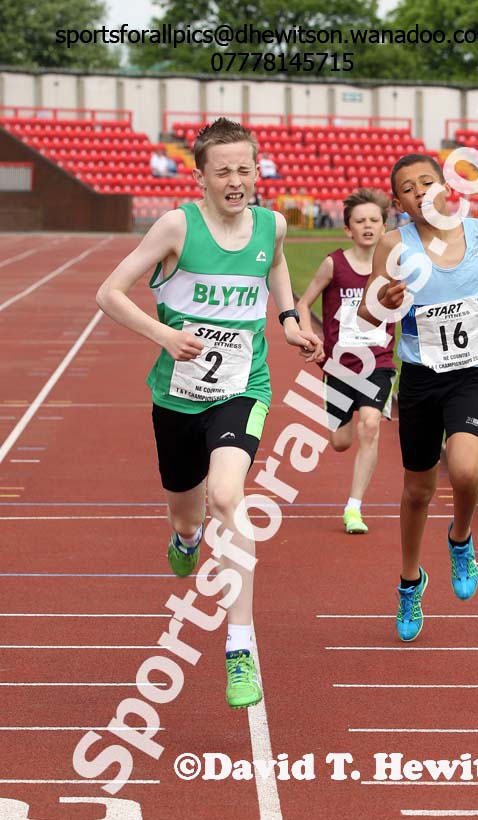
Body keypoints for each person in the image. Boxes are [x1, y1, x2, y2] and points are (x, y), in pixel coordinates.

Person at [96, 117, 322, 708]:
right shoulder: (177, 226)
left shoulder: (271, 224)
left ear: (257, 170)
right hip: (176, 393)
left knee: (228, 496)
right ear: (200, 177)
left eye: (245, 168)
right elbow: (109, 293)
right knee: (187, 512)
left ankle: (240, 647)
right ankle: (187, 537)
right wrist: (163, 337)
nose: (236, 180)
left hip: (243, 388)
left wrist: (291, 320)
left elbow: (273, 264)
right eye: (223, 171)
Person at [358, 153, 478, 641]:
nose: (420, 191)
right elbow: (368, 316)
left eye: (427, 181)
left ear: (446, 186)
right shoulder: (393, 243)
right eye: (408, 187)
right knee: (417, 491)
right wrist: (382, 303)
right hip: (422, 380)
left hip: (471, 374)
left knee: (466, 469)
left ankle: (460, 536)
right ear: (397, 202)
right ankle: (410, 581)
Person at [297, 188, 395, 535]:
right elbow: (303, 303)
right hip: (338, 366)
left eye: (374, 220)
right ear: (348, 230)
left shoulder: (394, 267)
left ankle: (353, 508)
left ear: (385, 227)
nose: (367, 226)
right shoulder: (334, 264)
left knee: (370, 425)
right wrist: (310, 336)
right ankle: (347, 424)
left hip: (378, 362)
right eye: (360, 221)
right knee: (341, 442)